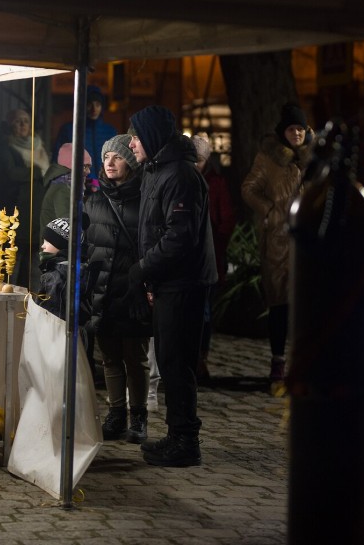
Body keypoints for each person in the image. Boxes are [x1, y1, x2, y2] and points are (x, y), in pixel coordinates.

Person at [127, 105, 217, 467]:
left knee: (177, 360)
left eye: (135, 136)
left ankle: (185, 441)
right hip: (169, 280)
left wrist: (144, 268)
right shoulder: (158, 170)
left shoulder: (179, 174)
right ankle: (178, 433)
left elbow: (179, 235)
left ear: (150, 137)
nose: (131, 144)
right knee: (169, 358)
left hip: (184, 282)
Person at [84, 134, 152, 443]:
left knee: (134, 357)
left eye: (118, 157)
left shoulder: (146, 199)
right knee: (109, 356)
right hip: (103, 288)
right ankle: (116, 414)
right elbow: (87, 245)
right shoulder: (95, 199)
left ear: (131, 162)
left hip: (132, 288)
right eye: (106, 158)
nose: (109, 163)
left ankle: (138, 416)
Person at [241, 102, 313, 390]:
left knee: (306, 307)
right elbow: (249, 188)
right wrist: (269, 211)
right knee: (280, 306)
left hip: (309, 244)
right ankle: (278, 363)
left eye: (301, 129)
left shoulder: (317, 158)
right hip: (280, 244)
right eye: (291, 129)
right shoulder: (267, 158)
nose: (296, 134)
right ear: (283, 132)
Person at [191, 135, 236, 384]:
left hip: (210, 256)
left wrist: (216, 240)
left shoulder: (215, 183)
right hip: (192, 256)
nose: (196, 163)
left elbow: (227, 219)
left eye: (199, 159)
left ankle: (201, 359)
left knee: (205, 313)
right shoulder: (186, 179)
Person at [0, 108, 50, 288]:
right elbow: (11, 173)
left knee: (34, 260)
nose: (23, 125)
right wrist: (37, 172)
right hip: (16, 210)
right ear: (11, 125)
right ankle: (7, 302)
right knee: (12, 259)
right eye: (18, 121)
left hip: (36, 211)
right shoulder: (5, 147)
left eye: (26, 121)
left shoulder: (38, 145)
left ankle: (31, 303)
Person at [52, 85, 118, 193]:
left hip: (107, 191)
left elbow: (118, 162)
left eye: (97, 104)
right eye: (89, 104)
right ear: (82, 105)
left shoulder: (110, 131)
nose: (94, 109)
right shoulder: (69, 130)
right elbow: (58, 163)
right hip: (77, 191)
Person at [39, 143, 91, 246]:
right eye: (85, 166)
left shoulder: (63, 183)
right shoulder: (63, 188)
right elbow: (67, 226)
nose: (88, 171)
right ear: (72, 165)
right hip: (57, 251)